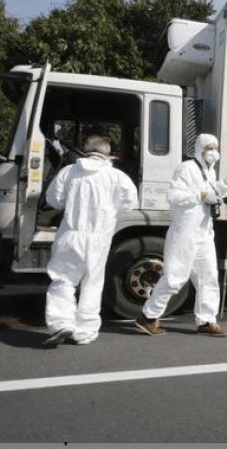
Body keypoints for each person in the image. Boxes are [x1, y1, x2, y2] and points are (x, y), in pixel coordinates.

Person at [43, 135, 138, 346]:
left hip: (70, 234)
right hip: (99, 238)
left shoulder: (69, 172)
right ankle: (85, 332)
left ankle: (61, 323)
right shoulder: (117, 177)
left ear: (85, 151)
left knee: (63, 280)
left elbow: (54, 200)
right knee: (92, 283)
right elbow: (129, 203)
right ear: (107, 153)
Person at [136, 134, 227, 337]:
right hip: (185, 232)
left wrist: (222, 186)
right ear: (199, 149)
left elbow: (209, 193)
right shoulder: (186, 168)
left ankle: (206, 320)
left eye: (215, 148)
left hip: (204, 232)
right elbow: (174, 196)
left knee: (209, 277)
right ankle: (148, 317)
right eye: (209, 148)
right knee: (175, 278)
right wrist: (202, 195)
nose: (213, 152)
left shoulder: (210, 171)